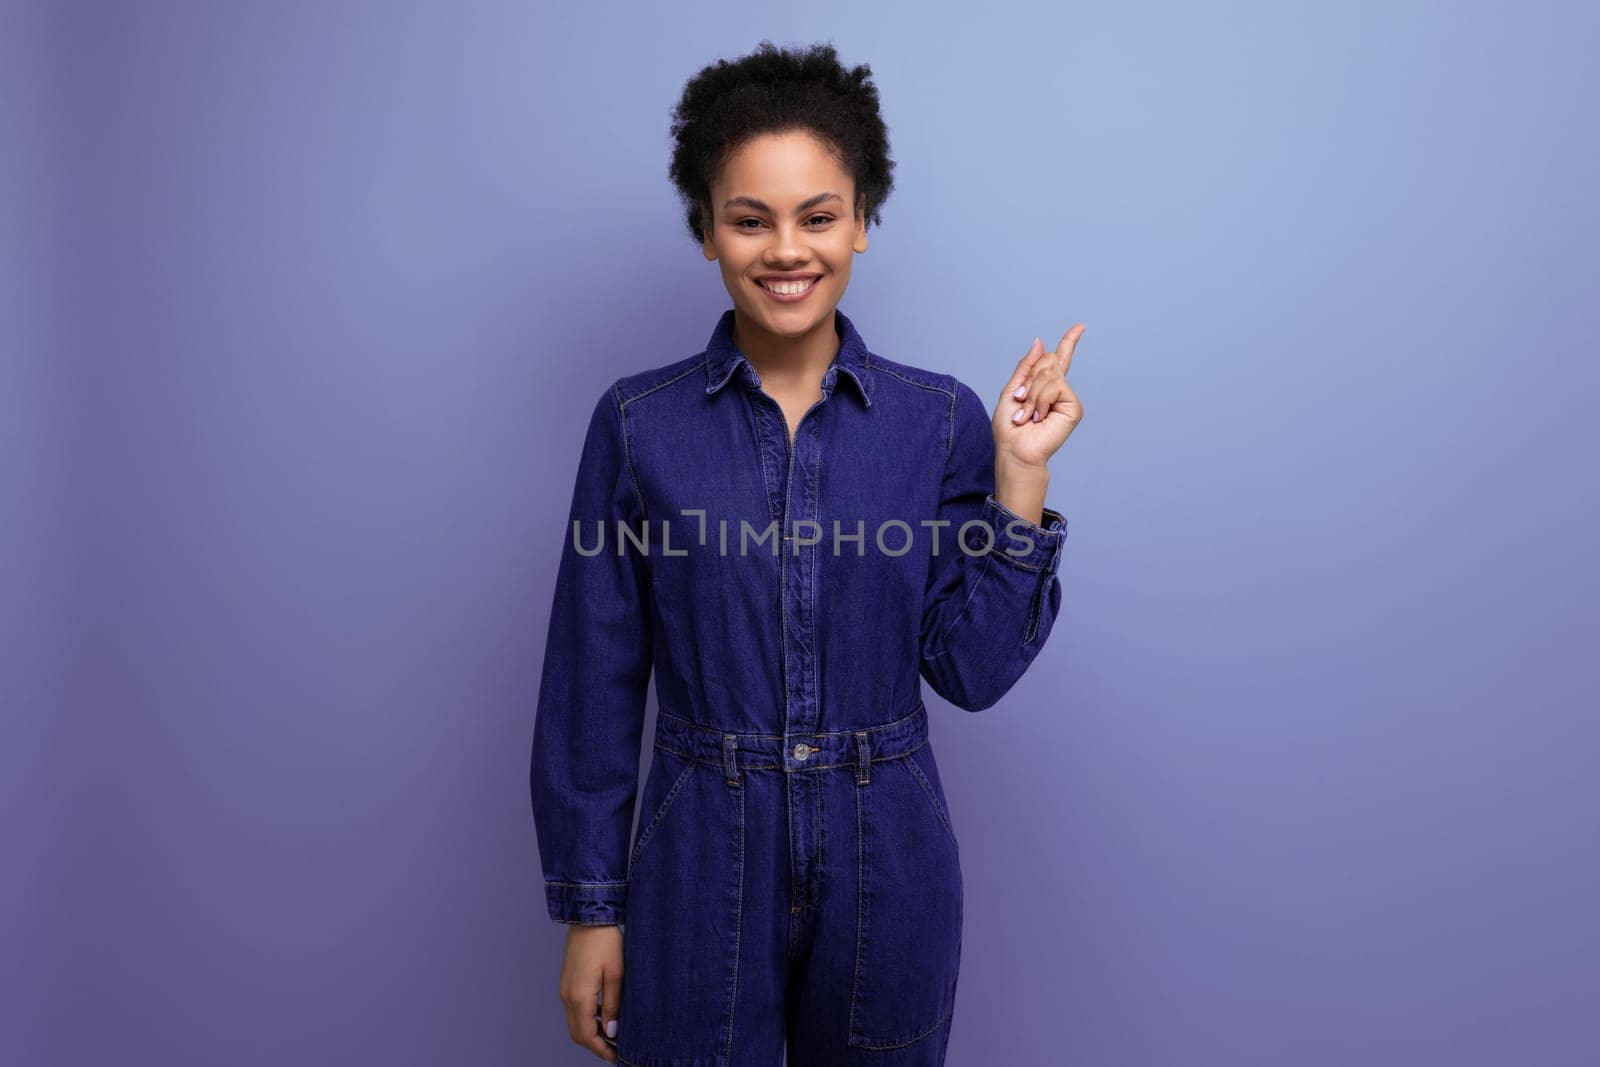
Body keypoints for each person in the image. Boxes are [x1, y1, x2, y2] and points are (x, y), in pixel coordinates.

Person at [530, 40, 1084, 1066]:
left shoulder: (936, 420)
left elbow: (969, 669)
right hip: (698, 846)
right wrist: (591, 908)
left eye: (818, 215)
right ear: (706, 230)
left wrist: (1019, 475)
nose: (787, 248)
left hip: (891, 853)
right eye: (750, 218)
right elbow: (591, 681)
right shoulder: (638, 424)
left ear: (862, 222)